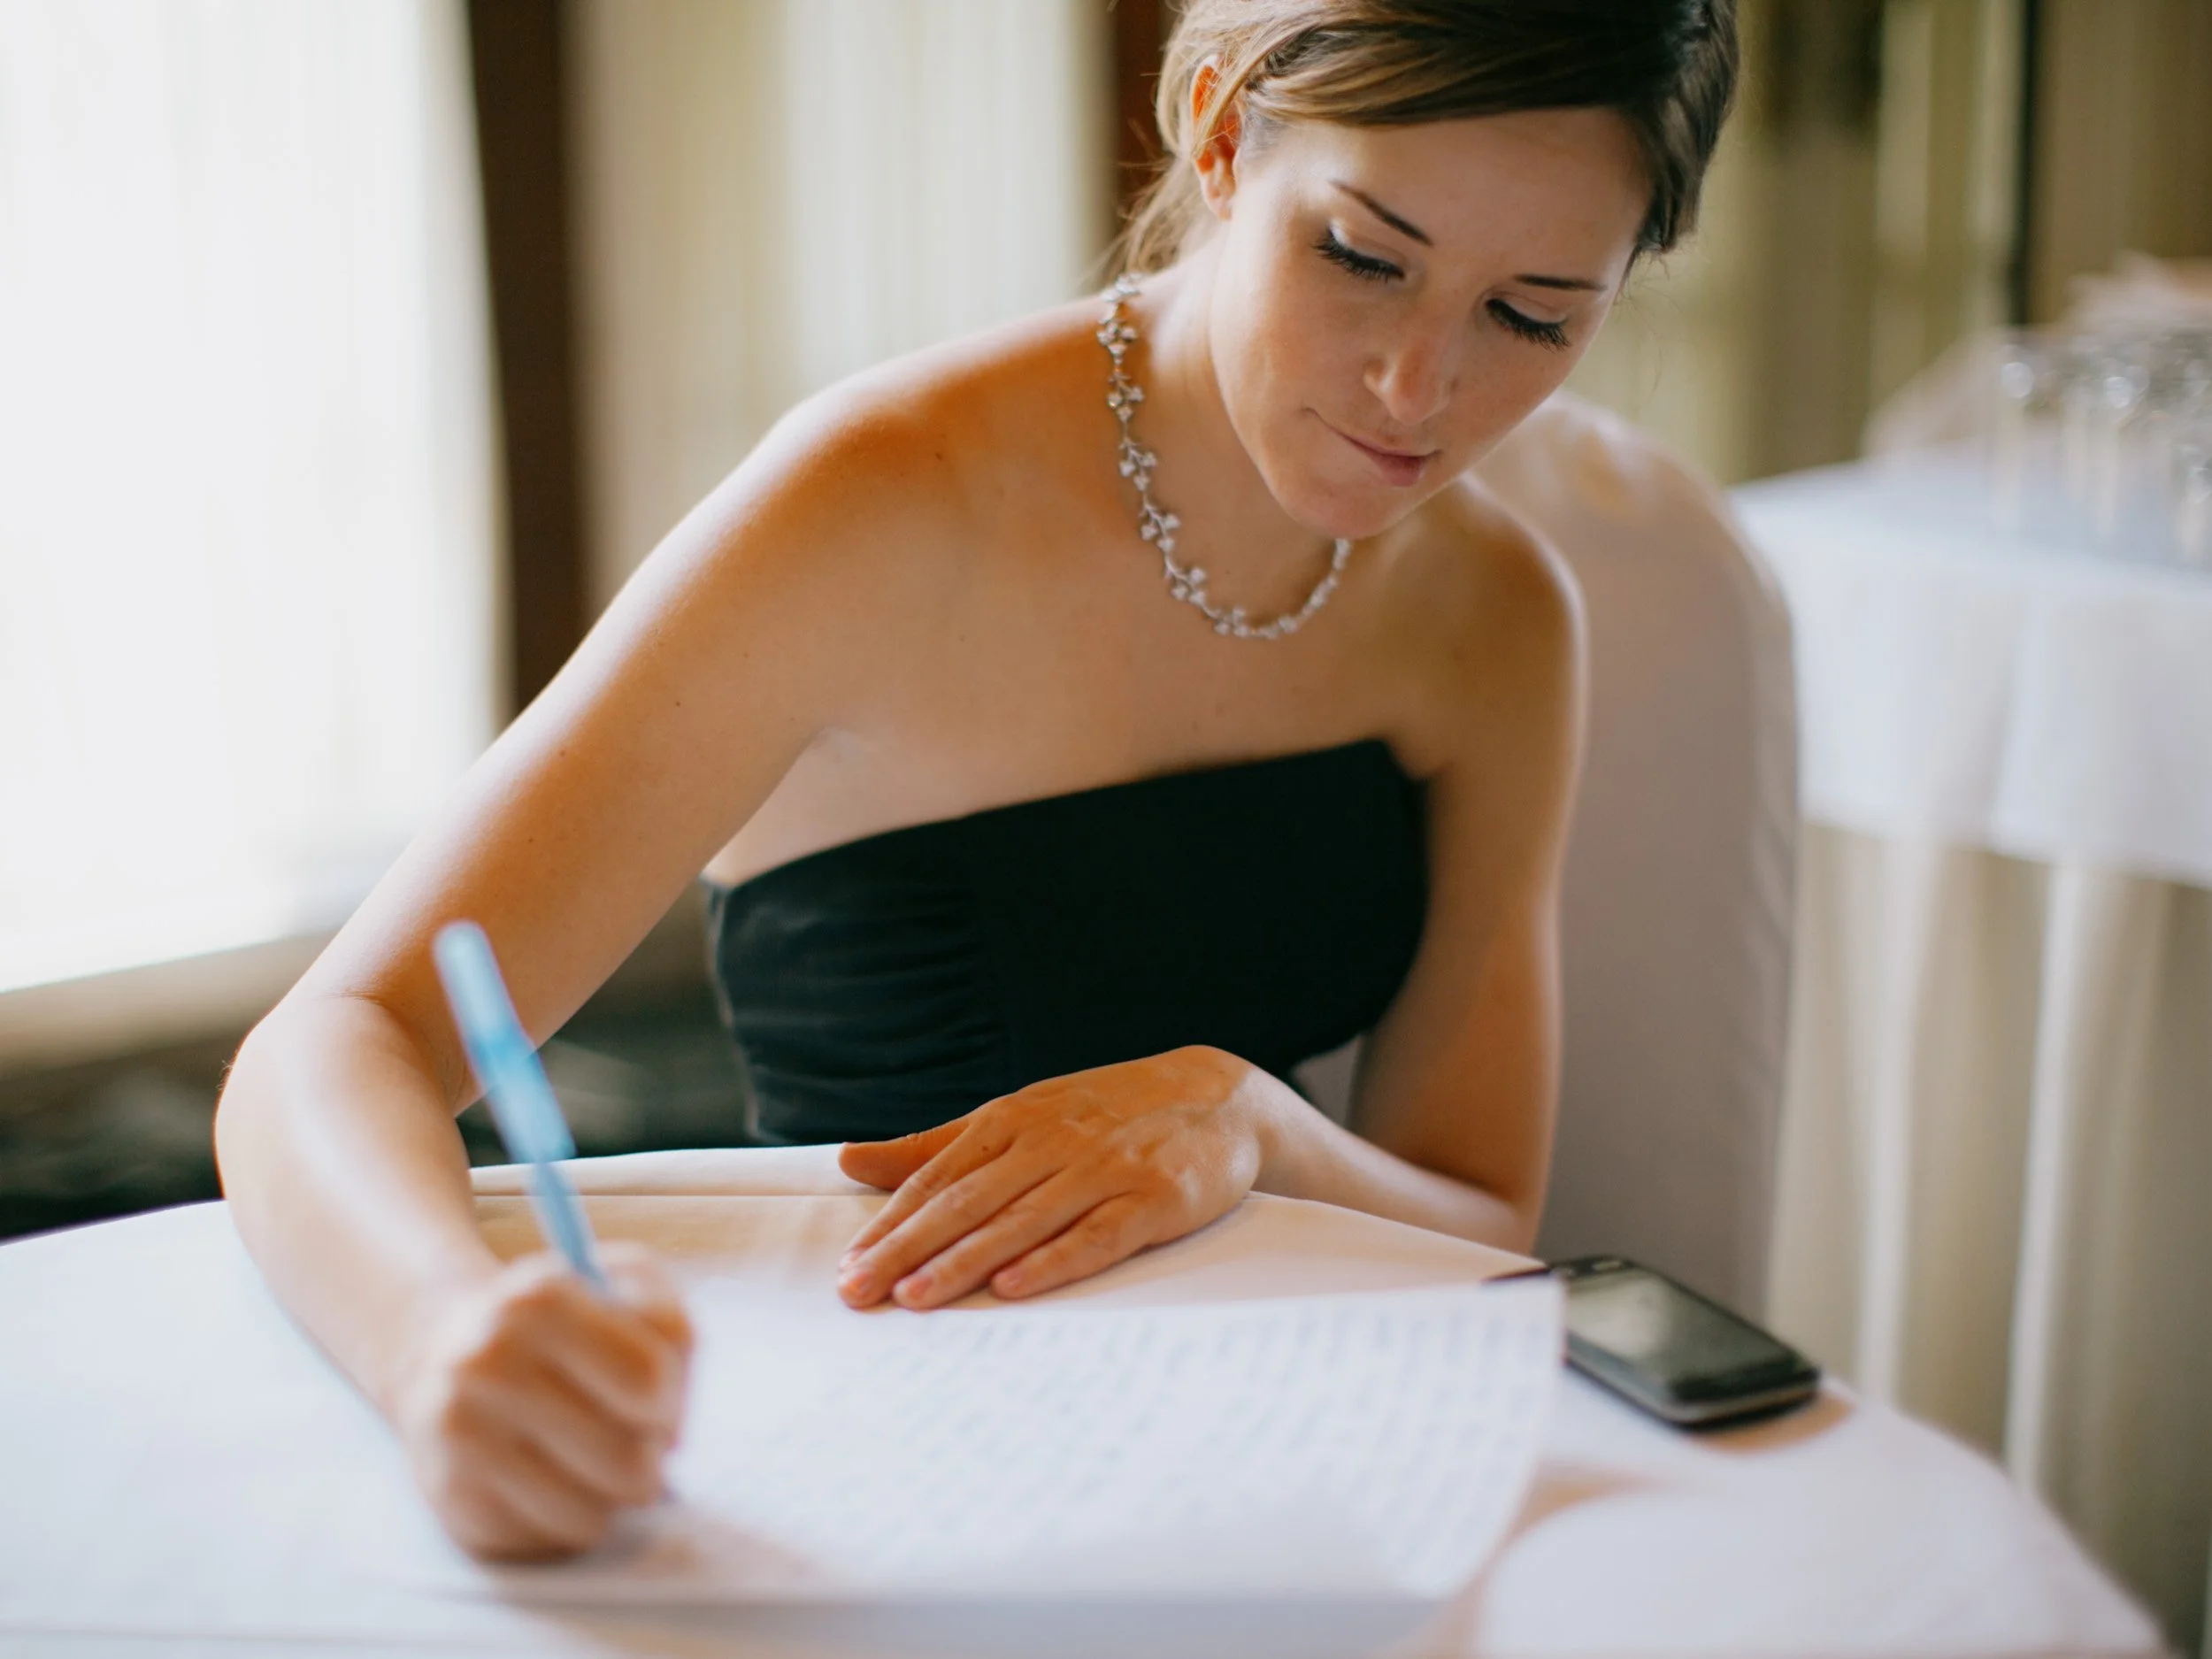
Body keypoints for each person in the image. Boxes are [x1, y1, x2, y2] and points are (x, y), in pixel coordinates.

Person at [215, 0, 1739, 1563]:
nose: (1418, 388)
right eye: (1361, 256)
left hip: (1270, 1460)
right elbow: (335, 1039)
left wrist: (1246, 1115)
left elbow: (1480, 1221)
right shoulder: (878, 505)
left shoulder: (1495, 618)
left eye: (1534, 317)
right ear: (1218, 127)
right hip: (844, 1440)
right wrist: (434, 1338)